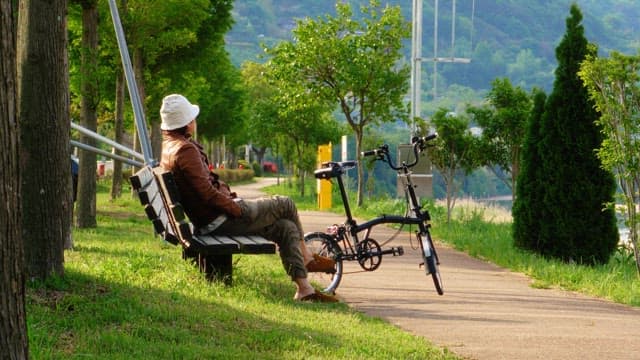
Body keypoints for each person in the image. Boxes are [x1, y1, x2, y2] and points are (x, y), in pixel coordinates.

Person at [159, 94, 338, 303]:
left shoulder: (172, 146)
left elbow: (203, 189)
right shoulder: (185, 149)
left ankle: (304, 289)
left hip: (211, 219)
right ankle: (307, 257)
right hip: (220, 220)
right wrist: (236, 208)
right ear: (187, 122)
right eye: (192, 117)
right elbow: (206, 192)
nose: (195, 121)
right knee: (286, 204)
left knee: (286, 227)